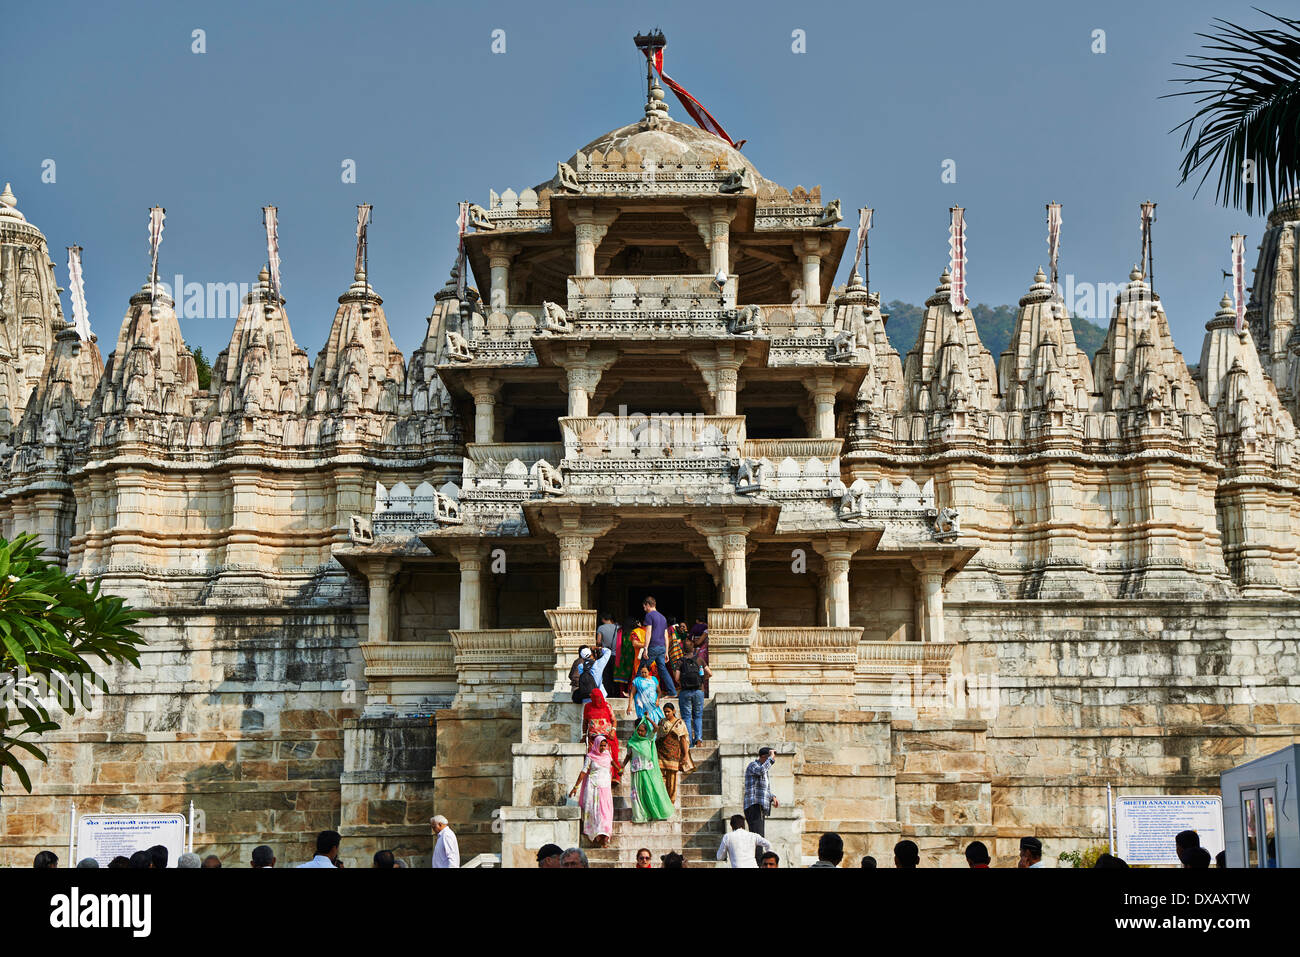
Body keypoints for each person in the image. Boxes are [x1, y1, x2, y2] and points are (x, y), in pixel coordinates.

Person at [622, 717, 675, 823]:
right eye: (638, 730)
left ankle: (654, 813)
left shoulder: (648, 739)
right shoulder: (632, 742)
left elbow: (656, 728)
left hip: (647, 771)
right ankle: (640, 816)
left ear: (646, 731)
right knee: (637, 795)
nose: (640, 732)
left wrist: (647, 718)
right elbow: (628, 755)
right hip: (637, 772)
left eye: (642, 730)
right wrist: (622, 766)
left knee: (649, 792)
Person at [569, 734, 614, 847]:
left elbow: (612, 762)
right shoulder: (590, 756)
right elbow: (583, 771)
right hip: (593, 788)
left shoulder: (607, 754)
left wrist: (619, 768)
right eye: (601, 745)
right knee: (596, 812)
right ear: (596, 745)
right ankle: (598, 836)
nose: (603, 748)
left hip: (605, 788)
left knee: (606, 812)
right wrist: (575, 787)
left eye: (604, 745)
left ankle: (604, 836)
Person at [673, 636, 711, 747]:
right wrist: (702, 680)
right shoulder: (699, 660)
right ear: (693, 648)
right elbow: (710, 673)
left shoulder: (680, 661)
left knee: (686, 717)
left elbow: (676, 678)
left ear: (683, 649)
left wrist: (682, 683)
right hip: (698, 691)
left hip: (685, 692)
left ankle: (689, 741)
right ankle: (698, 739)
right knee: (698, 716)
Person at [655, 703, 694, 802]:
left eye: (668, 711)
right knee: (659, 779)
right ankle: (661, 801)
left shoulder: (679, 723)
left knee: (672, 782)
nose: (666, 714)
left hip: (673, 756)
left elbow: (683, 739)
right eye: (665, 712)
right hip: (660, 754)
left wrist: (685, 755)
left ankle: (670, 803)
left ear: (674, 711)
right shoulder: (661, 722)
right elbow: (658, 737)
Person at [582, 687, 621, 783]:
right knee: (595, 758)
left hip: (606, 738)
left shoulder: (607, 706)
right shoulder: (588, 707)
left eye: (597, 697)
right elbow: (585, 722)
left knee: (607, 757)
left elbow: (614, 720)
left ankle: (611, 777)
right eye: (593, 697)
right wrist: (584, 735)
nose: (596, 700)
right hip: (593, 739)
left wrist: (613, 731)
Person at [641, 596, 676, 696]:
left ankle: (633, 692)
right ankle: (672, 692)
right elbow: (666, 635)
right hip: (662, 647)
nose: (644, 609)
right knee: (663, 670)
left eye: (644, 606)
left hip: (653, 646)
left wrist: (645, 648)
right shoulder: (663, 617)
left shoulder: (649, 615)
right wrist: (666, 651)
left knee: (642, 668)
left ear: (648, 605)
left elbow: (648, 632)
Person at [743, 747, 778, 836]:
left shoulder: (764, 770)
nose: (772, 759)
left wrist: (772, 797)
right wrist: (771, 758)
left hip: (759, 807)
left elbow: (764, 789)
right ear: (763, 757)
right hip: (753, 805)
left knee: (759, 837)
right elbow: (760, 771)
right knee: (757, 837)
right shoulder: (753, 765)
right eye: (769, 757)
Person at [609, 616, 643, 698]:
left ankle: (622, 694)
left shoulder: (621, 631)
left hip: (622, 656)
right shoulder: (636, 632)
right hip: (633, 656)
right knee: (633, 675)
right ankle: (631, 692)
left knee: (623, 677)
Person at [689, 617, 710, 697]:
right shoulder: (707, 629)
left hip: (703, 652)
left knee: (701, 671)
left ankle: (702, 691)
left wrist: (693, 642)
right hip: (707, 653)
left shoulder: (706, 631)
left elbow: (698, 642)